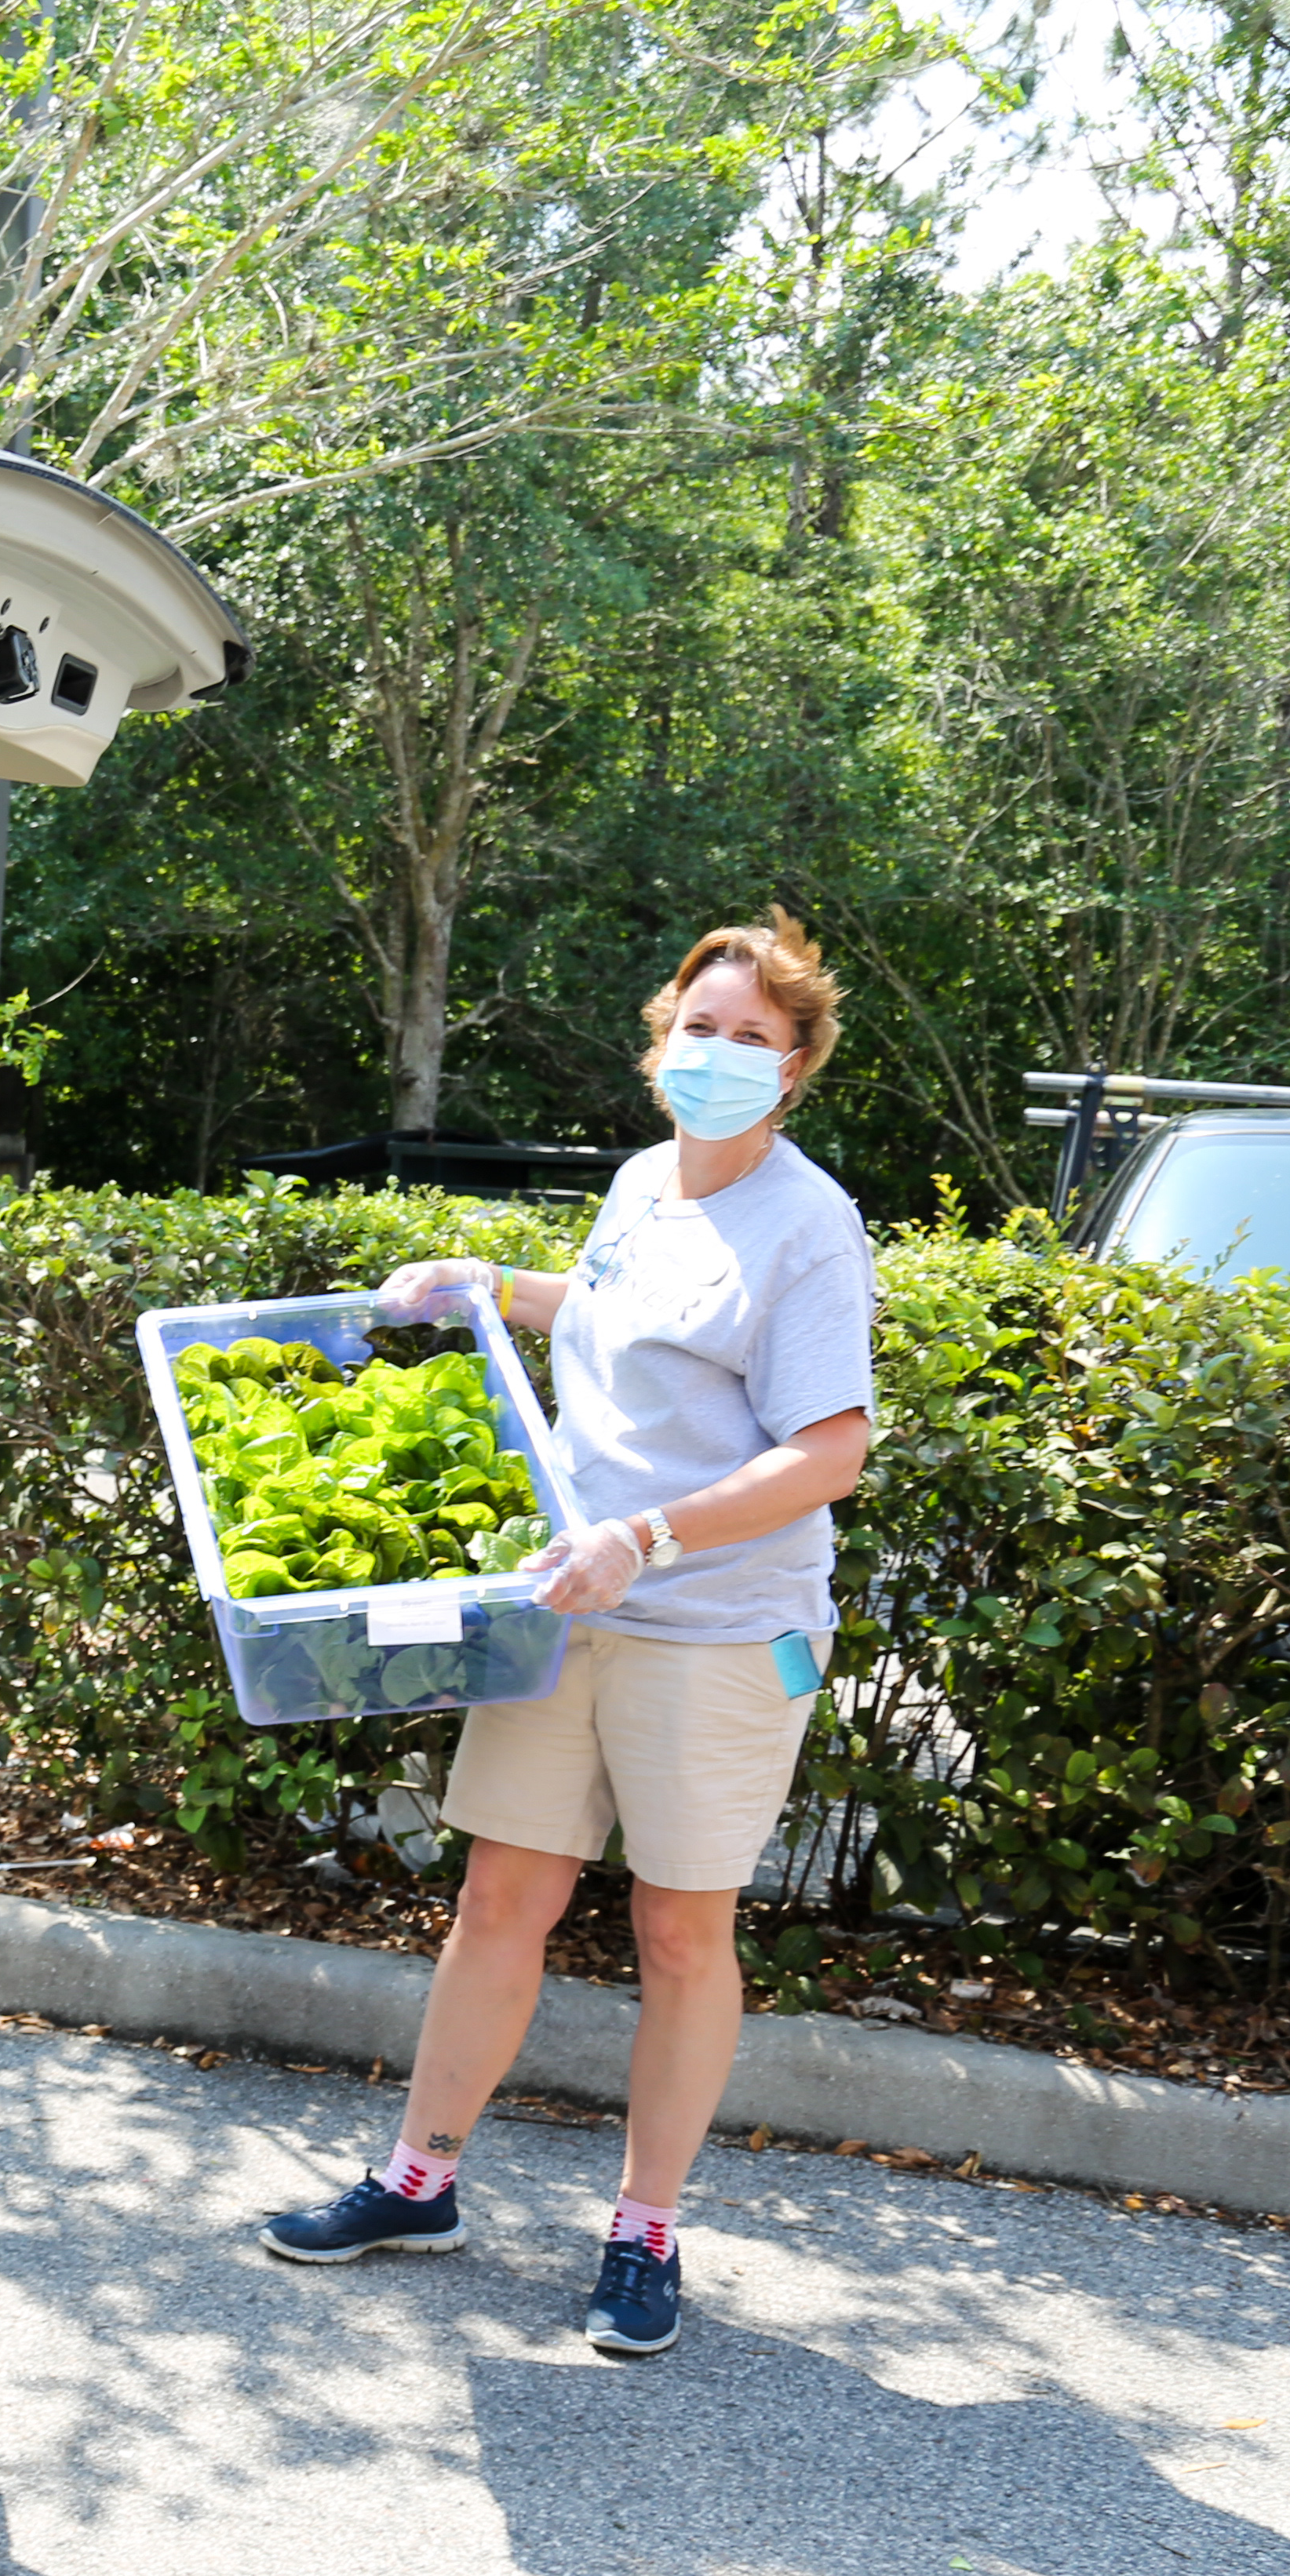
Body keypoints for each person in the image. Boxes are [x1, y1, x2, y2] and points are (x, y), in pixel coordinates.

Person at [256, 910, 876, 2358]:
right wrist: (485, 1285)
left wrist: (646, 1538)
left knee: (679, 1931)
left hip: (713, 1627)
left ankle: (646, 2232)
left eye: (753, 1039)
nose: (719, 1057)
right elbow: (607, 1319)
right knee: (499, 1902)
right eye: (699, 1029)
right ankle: (421, 2181)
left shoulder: (809, 1225)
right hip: (565, 1605)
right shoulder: (644, 1183)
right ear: (662, 1040)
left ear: (796, 1069)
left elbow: (829, 1450)